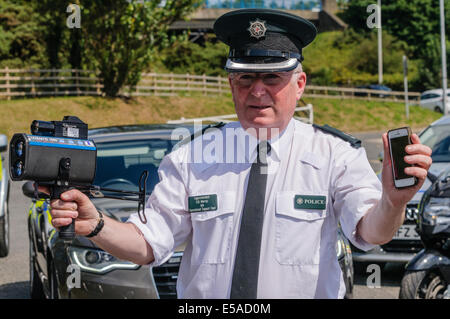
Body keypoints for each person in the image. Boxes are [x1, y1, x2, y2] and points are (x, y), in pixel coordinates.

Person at [44, 9, 432, 298]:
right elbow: (149, 244)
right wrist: (94, 224)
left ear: (299, 84)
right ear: (231, 83)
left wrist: (393, 202)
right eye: (245, 78)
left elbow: (369, 230)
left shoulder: (334, 155)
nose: (257, 91)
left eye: (272, 78)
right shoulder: (192, 158)